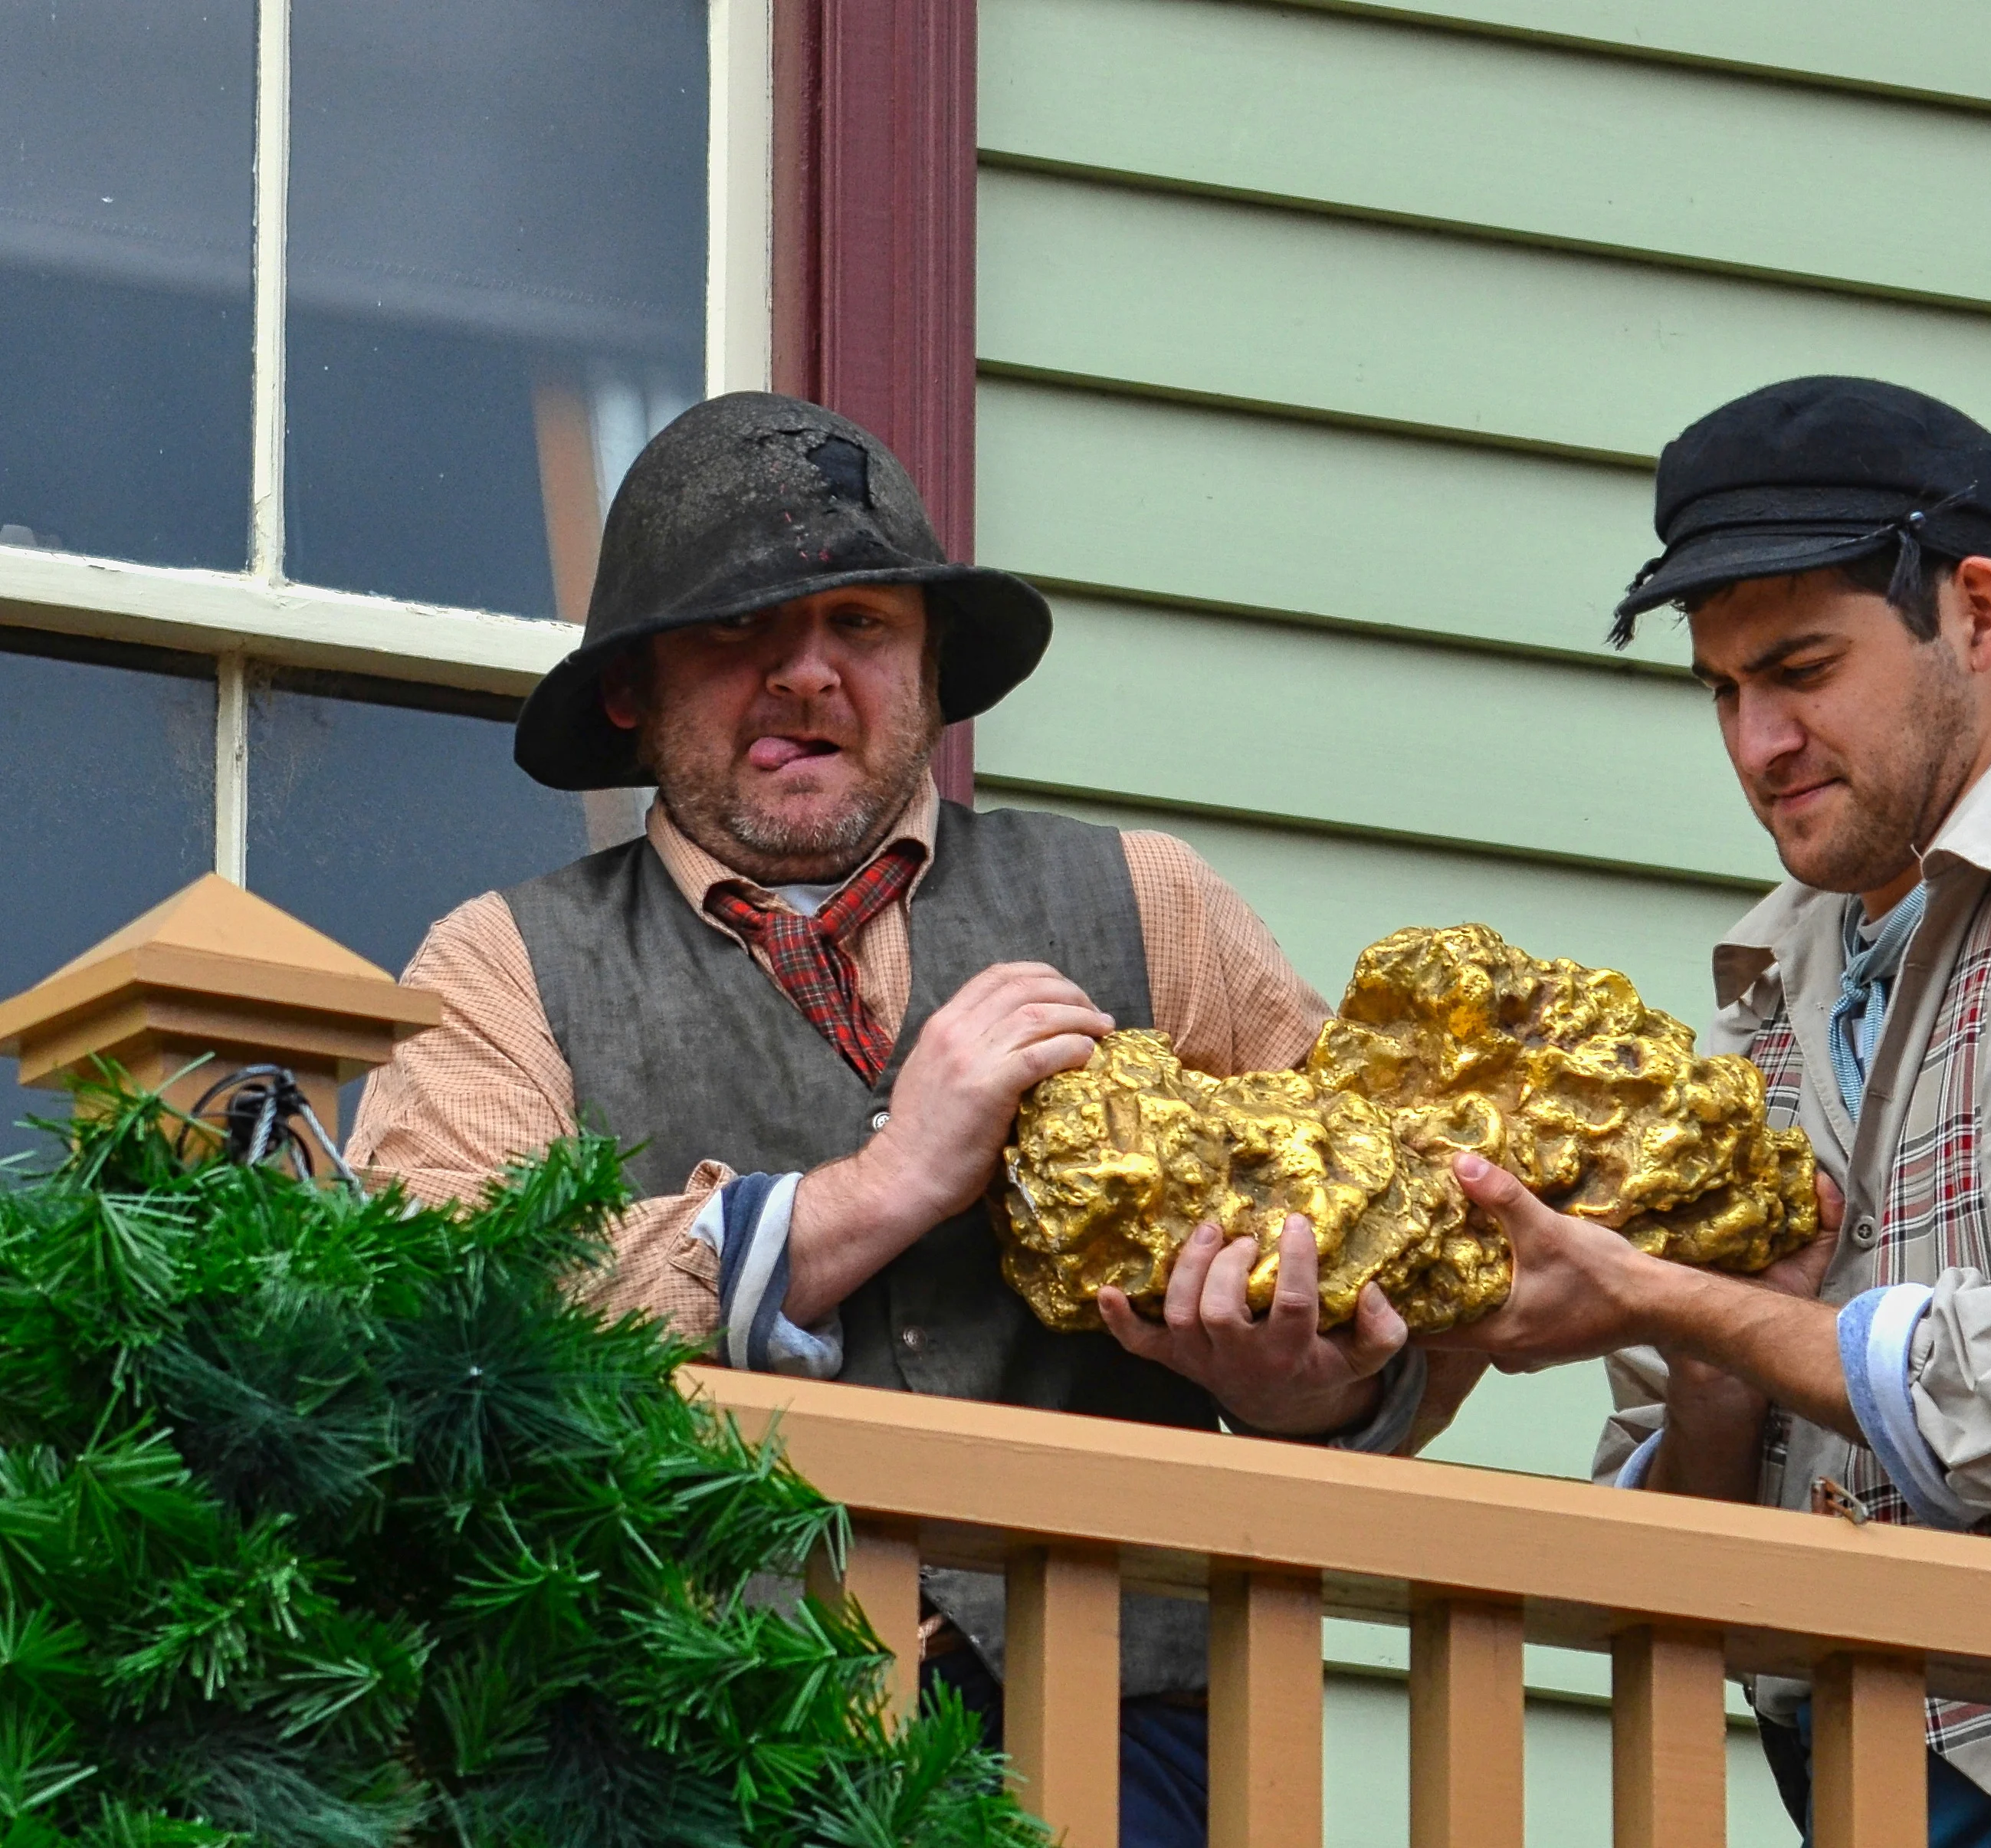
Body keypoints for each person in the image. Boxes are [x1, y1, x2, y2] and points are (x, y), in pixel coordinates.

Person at [347, 391, 1442, 1847]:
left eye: (860, 625)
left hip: (1131, 1752)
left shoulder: (1150, 904)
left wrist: (1308, 1380)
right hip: (680, 1750)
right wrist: (871, 1192)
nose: (808, 677)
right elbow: (436, 1309)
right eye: (742, 633)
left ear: (928, 670)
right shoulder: (497, 964)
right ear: (631, 690)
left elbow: (1408, 1245)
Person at [1422, 377, 1991, 1846]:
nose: (1755, 742)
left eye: (1799, 667)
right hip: (1837, 1784)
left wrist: (1653, 1291)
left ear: (1976, 613)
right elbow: (1677, 1557)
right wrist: (1716, 1359)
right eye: (1724, 689)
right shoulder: (1763, 983)